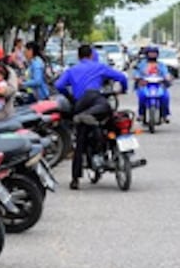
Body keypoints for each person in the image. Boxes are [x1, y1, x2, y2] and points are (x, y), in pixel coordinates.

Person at [54, 44, 128, 190]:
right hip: (96, 100)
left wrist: (70, 96)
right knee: (109, 114)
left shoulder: (72, 70)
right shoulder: (99, 67)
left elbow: (59, 85)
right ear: (91, 55)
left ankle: (75, 179)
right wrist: (123, 89)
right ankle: (107, 139)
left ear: (78, 56)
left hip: (80, 104)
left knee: (80, 141)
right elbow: (121, 77)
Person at [132, 46, 171, 123]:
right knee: (142, 96)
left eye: (154, 53)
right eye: (151, 53)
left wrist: (167, 78)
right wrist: (138, 78)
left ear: (157, 54)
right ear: (147, 54)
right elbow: (136, 73)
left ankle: (164, 115)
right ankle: (141, 114)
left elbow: (166, 73)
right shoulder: (142, 64)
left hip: (159, 84)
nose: (152, 55)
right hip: (145, 84)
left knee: (165, 97)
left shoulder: (161, 65)